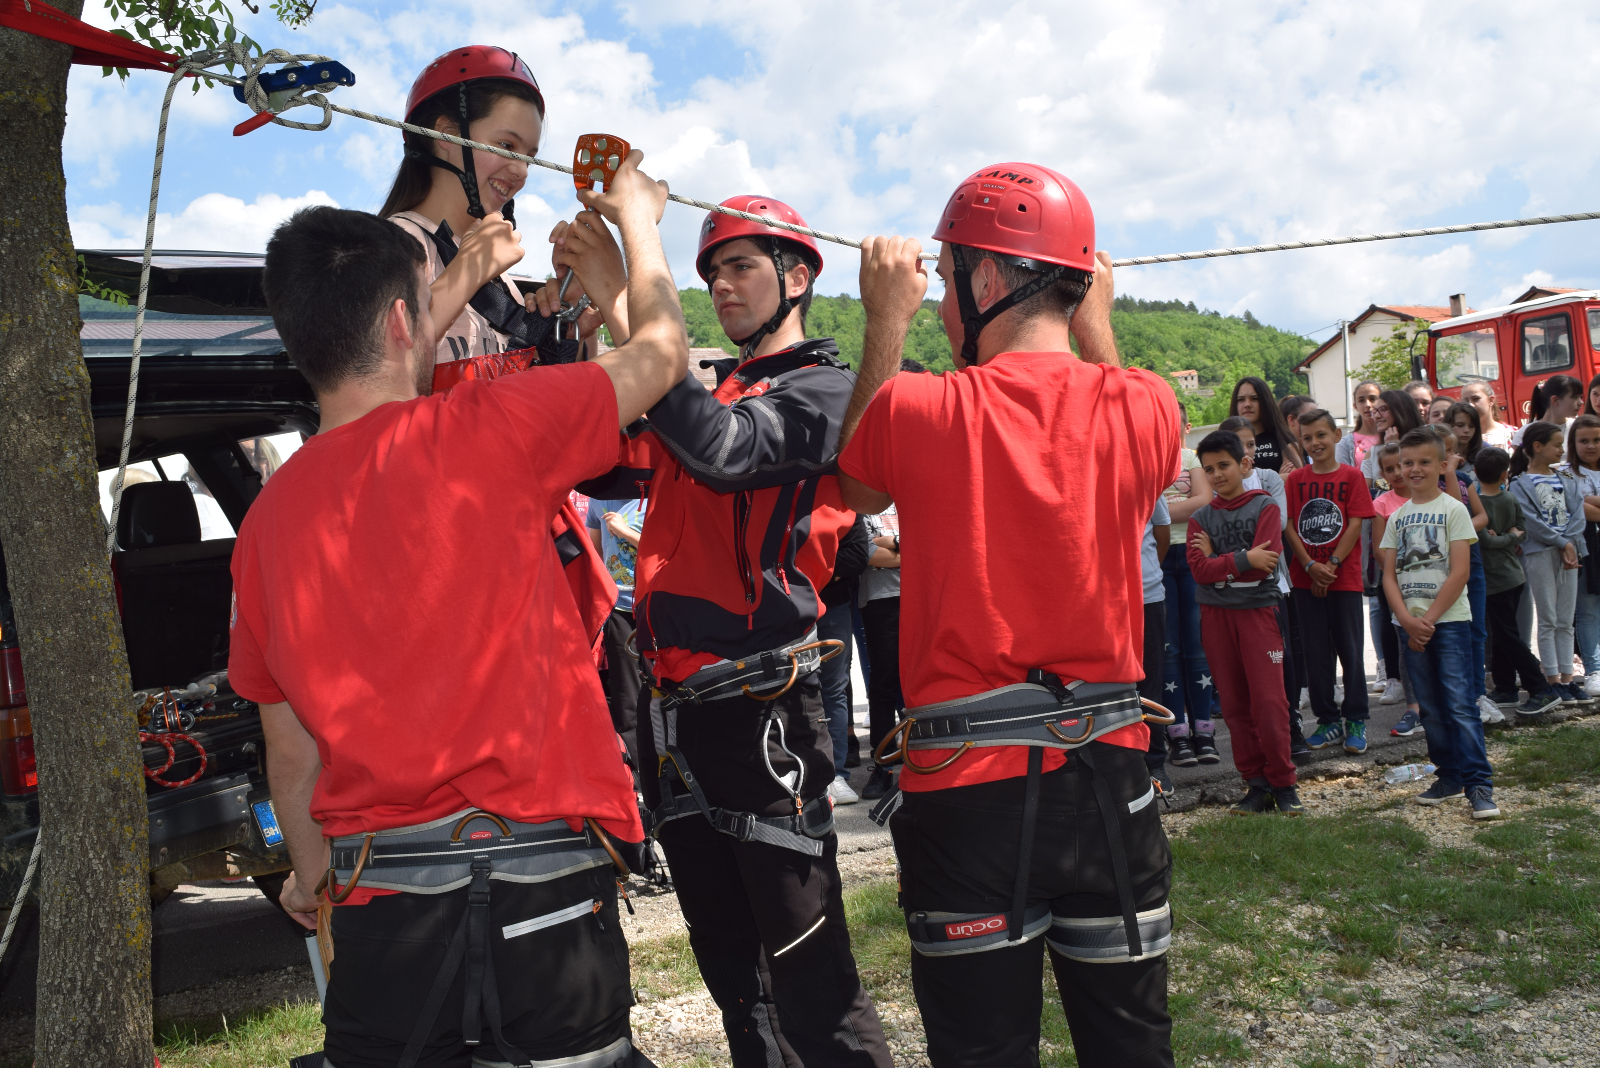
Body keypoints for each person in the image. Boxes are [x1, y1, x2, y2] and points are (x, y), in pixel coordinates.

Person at [234, 155, 687, 1068]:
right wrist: (640, 222)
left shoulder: (265, 524)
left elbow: (292, 756)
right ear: (407, 320)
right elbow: (662, 355)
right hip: (546, 887)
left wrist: (313, 885)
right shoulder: (492, 427)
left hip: (383, 909)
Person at [836, 162, 1180, 1068]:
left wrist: (884, 320)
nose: (943, 299)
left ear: (985, 280)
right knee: (1133, 1049)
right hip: (1111, 779)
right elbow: (1129, 425)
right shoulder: (1147, 405)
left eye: (949, 277)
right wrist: (1094, 319)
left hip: (968, 790)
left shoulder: (919, 405)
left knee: (981, 1051)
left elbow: (859, 482)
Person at [570, 193, 893, 1067]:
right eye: (711, 272)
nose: (721, 284)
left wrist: (633, 281)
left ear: (797, 278)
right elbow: (602, 463)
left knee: (811, 976)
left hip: (764, 711)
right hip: (680, 716)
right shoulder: (719, 392)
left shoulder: (822, 392)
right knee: (735, 982)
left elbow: (723, 450)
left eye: (740, 266)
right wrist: (593, 322)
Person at [1379, 428, 1498, 820]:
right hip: (1410, 627)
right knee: (1429, 707)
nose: (1414, 469)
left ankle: (1479, 783)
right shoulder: (1396, 516)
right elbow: (1389, 576)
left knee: (1461, 706)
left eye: (1424, 462)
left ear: (1442, 465)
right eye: (1406, 463)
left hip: (1448, 624)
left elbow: (1460, 571)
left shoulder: (1454, 509)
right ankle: (1449, 777)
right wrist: (1406, 621)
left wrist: (1426, 620)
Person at [1188, 430, 1301, 814]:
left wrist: (1224, 565)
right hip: (1216, 618)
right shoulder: (1200, 517)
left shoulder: (1265, 506)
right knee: (1235, 707)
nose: (1217, 474)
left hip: (1258, 614)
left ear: (1245, 464)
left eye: (1224, 465)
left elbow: (1264, 566)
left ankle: (1285, 785)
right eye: (1209, 469)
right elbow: (1199, 572)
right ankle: (1255, 784)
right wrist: (1242, 560)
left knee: (1269, 703)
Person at [1283, 409, 1376, 754]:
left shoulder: (1352, 477)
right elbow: (1289, 525)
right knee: (1316, 654)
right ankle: (1327, 720)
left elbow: (1355, 523)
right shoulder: (1295, 480)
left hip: (1344, 578)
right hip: (1305, 579)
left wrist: (1332, 564)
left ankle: (1356, 719)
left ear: (1337, 436)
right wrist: (1309, 566)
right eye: (1307, 438)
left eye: (1321, 435)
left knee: (1350, 652)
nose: (1315, 443)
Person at [1219, 416, 1307, 759]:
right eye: (1239, 446)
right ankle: (1257, 741)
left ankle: (1292, 727)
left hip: (1272, 588)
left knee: (1280, 660)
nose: (1248, 453)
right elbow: (1215, 531)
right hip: (1233, 594)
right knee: (1245, 668)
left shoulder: (1269, 479)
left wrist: (1235, 552)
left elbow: (1273, 529)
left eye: (1252, 444)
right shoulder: (1217, 486)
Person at [1475, 448, 1560, 716]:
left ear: (1475, 473)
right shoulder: (1509, 497)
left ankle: (1542, 689)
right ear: (1504, 474)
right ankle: (1506, 688)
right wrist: (1510, 536)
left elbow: (1488, 542)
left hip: (1498, 580)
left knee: (1507, 635)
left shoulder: (1477, 504)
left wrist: (1501, 537)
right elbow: (1521, 532)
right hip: (1511, 576)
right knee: (1502, 633)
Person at [1510, 421, 1588, 706]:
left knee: (1566, 620)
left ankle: (1568, 680)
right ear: (1537, 447)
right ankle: (1553, 679)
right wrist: (1561, 542)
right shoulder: (1520, 484)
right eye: (1556, 444)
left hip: (1569, 552)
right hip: (1542, 553)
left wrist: (1570, 543)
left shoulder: (1566, 480)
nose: (1561, 449)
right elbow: (1531, 521)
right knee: (1549, 619)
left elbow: (1578, 514)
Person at [1161, 404, 1217, 769]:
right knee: (1169, 647)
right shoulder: (1145, 460)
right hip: (1159, 558)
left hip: (1193, 555)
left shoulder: (1190, 458)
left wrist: (1162, 510)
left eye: (1174, 423)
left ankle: (1204, 730)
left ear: (1185, 426)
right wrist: (1181, 507)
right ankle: (1177, 733)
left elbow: (1204, 502)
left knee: (1197, 645)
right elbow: (1143, 508)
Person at [588, 493, 647, 760]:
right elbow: (594, 551)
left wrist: (625, 532)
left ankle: (672, 765)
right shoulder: (598, 497)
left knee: (663, 682)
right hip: (619, 609)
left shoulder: (654, 491)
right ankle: (637, 767)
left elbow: (670, 550)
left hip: (655, 603)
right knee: (626, 693)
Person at [819, 517, 873, 804]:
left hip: (833, 606)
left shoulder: (843, 505)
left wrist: (805, 567)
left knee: (833, 690)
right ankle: (806, 772)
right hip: (787, 606)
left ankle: (836, 774)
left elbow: (856, 557)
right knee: (790, 689)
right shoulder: (783, 491)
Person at [1372, 444, 1424, 734]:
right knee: (1406, 642)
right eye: (1389, 469)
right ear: (1382, 474)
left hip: (1432, 584)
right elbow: (1380, 550)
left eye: (1400, 466)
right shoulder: (1381, 504)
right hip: (1397, 583)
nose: (1397, 473)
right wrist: (1398, 576)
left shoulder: (1432, 499)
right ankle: (1414, 708)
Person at [858, 504, 905, 801]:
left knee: (923, 680)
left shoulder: (908, 495)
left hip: (918, 594)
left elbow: (926, 541)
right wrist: (904, 545)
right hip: (878, 601)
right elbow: (863, 552)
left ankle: (927, 755)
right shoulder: (858, 506)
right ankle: (883, 766)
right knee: (883, 685)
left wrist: (890, 545)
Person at [1140, 497, 1173, 795]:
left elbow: (1163, 533)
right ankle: (1122, 763)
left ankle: (1154, 763)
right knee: (1111, 685)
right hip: (1102, 600)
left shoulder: (1147, 475)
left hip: (1147, 595)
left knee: (1151, 683)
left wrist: (1146, 575)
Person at [1568, 415, 1600, 695]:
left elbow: (1584, 503)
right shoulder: (1566, 472)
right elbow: (1576, 506)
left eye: (1597, 440)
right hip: (1586, 546)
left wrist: (1589, 501)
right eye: (1584, 441)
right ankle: (1594, 669)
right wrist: (1585, 503)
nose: (1591, 446)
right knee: (1588, 609)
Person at [1229, 375, 1302, 473]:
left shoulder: (1282, 437)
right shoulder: (1226, 441)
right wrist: (1277, 479)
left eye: (1254, 398)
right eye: (1241, 399)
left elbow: (1294, 477)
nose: (1247, 404)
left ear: (1265, 401)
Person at [1361, 389, 1424, 485]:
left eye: (1382, 409)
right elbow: (1363, 492)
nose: (1377, 416)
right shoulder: (1373, 452)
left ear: (1401, 410)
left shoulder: (1425, 445)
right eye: (1375, 411)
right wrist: (1387, 449)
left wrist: (1395, 448)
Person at [1511, 374, 1584, 450]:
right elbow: (1519, 461)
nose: (1581, 402)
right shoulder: (1524, 433)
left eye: (1580, 397)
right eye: (1575, 397)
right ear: (1555, 400)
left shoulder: (1578, 427)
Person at [1461, 381, 1514, 451]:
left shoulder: (1513, 434)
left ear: (1491, 400)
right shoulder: (1460, 438)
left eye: (1475, 399)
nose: (1470, 405)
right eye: (1466, 401)